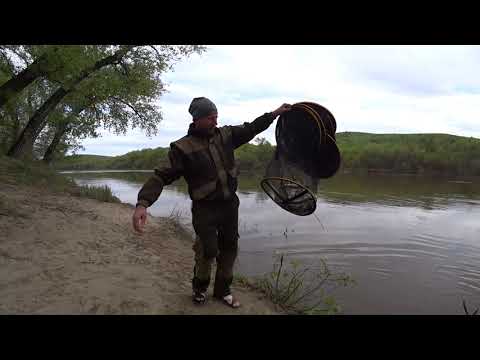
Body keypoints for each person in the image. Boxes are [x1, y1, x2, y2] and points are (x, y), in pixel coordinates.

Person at [132, 97, 291, 308]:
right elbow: (161, 176)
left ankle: (223, 291)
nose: (215, 121)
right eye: (210, 118)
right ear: (197, 119)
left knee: (229, 248)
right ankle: (199, 288)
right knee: (207, 250)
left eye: (216, 116)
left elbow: (252, 128)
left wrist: (274, 113)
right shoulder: (182, 148)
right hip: (204, 209)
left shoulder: (226, 135)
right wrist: (143, 204)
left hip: (229, 206)